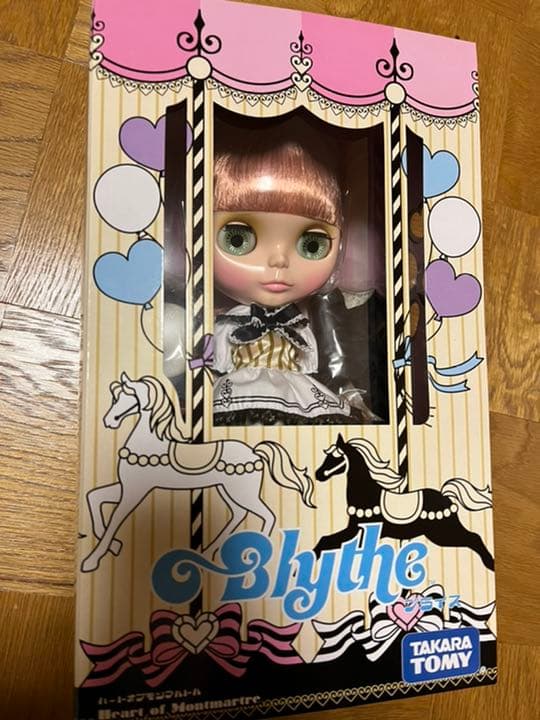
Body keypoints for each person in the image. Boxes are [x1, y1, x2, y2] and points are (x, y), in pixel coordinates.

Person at [212, 116, 380, 426]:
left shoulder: (299, 319)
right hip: (240, 386)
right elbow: (218, 359)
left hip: (295, 388)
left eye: (312, 244)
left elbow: (309, 362)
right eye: (238, 239)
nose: (279, 261)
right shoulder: (231, 320)